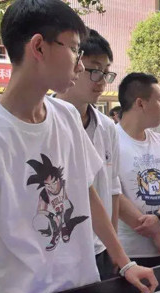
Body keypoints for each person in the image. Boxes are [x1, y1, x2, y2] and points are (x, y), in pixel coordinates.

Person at [0, 0, 157, 293]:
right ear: (39, 47)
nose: (79, 63)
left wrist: (125, 262)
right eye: (74, 49)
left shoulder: (66, 117)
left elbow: (86, 193)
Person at [55, 28, 120, 279]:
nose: (101, 80)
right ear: (75, 65)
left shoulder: (108, 127)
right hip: (60, 251)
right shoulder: (45, 121)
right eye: (95, 70)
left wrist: (114, 246)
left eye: (106, 72)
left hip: (101, 248)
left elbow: (112, 189)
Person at [116, 73, 160, 266]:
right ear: (141, 103)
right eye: (159, 99)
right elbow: (114, 196)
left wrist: (159, 219)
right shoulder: (110, 141)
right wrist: (155, 234)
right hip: (131, 253)